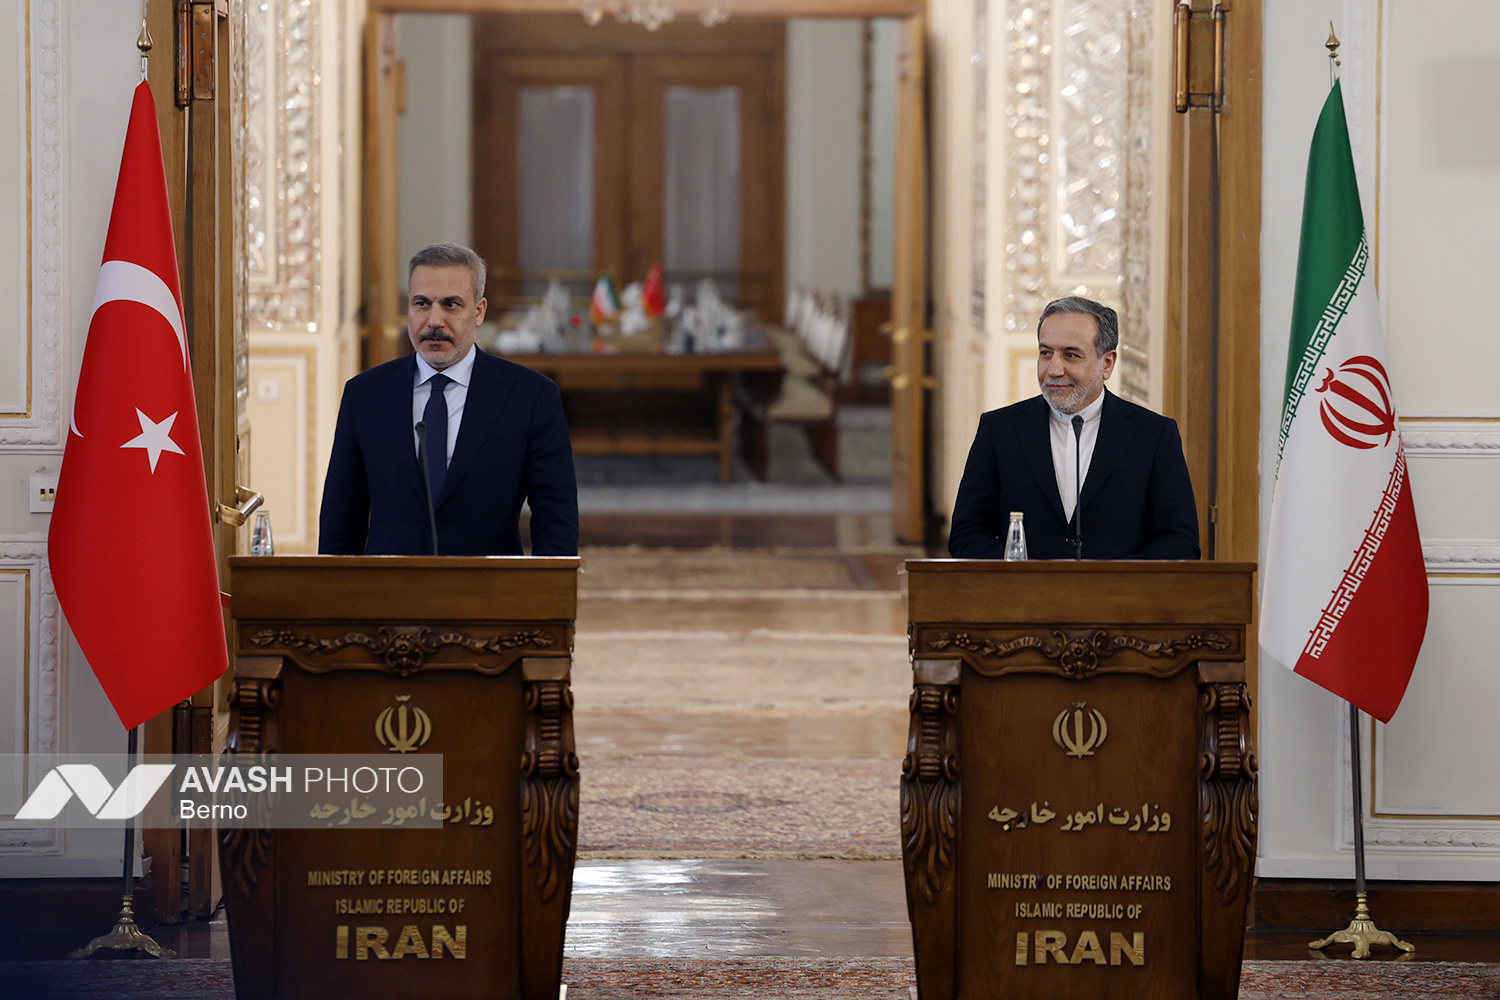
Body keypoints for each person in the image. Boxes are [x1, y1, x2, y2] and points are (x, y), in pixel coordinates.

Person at [319, 243, 578, 555]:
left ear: (479, 311)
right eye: (422, 304)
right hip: (388, 592)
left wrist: (544, 597)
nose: (434, 321)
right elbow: (341, 515)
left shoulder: (531, 396)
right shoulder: (365, 394)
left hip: (491, 592)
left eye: (451, 305)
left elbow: (556, 516)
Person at [948, 296, 1199, 560]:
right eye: (1045, 353)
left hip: (1119, 598)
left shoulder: (1153, 435)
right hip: (1024, 597)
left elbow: (1180, 541)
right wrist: (1026, 573)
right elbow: (967, 534)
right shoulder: (999, 430)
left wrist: (1111, 582)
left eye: (1070, 355)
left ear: (1107, 363)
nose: (1054, 369)